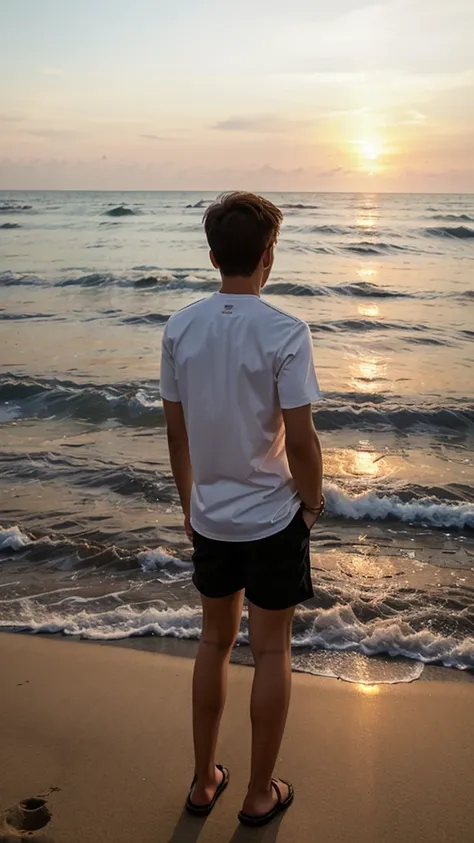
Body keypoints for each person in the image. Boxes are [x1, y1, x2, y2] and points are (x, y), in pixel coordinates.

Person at [160, 191, 324, 827]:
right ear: (268, 256)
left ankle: (203, 782)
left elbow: (178, 437)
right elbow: (302, 439)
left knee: (213, 640)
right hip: (271, 517)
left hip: (212, 518)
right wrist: (311, 503)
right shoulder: (285, 331)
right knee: (273, 651)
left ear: (212, 256)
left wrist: (190, 505)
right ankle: (258, 792)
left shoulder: (180, 327)